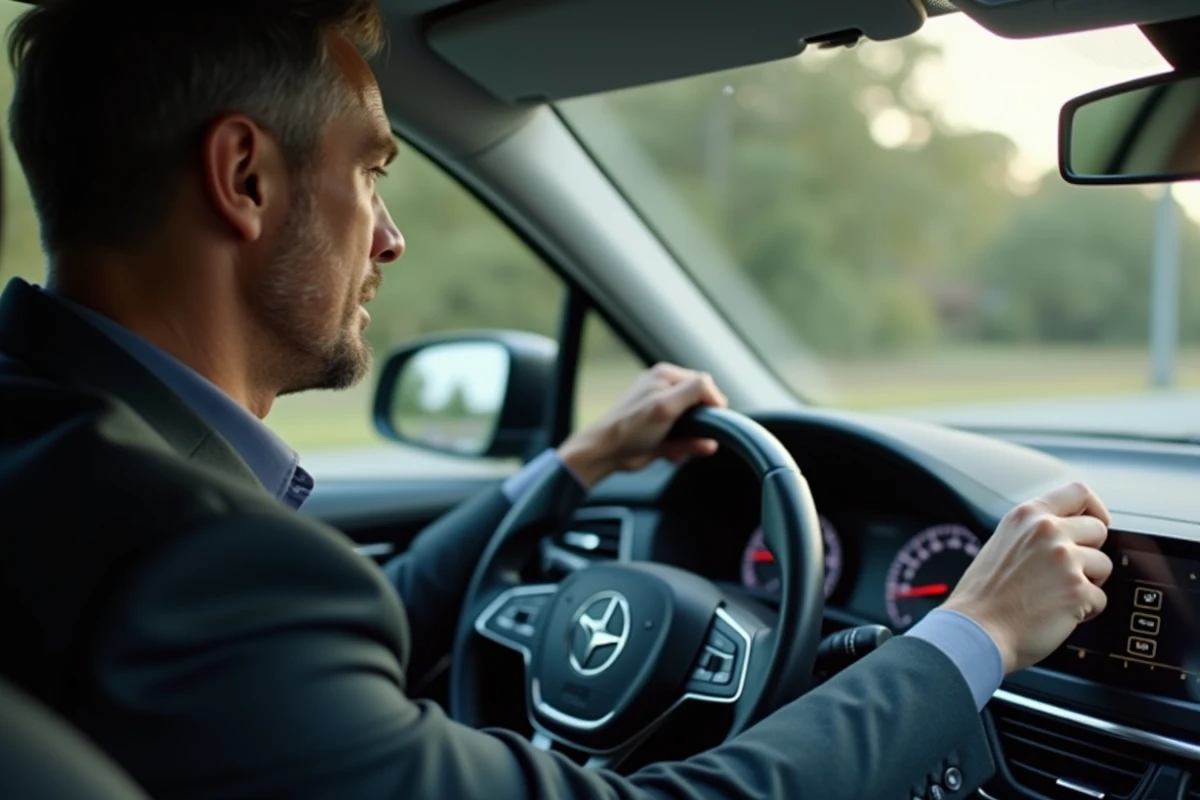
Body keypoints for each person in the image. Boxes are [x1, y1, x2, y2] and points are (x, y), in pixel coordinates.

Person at [0, 1, 1113, 799]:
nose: (390, 236)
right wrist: (969, 635)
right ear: (244, 176)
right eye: (372, 170)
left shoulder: (61, 464)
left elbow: (307, 653)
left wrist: (569, 468)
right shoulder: (195, 569)